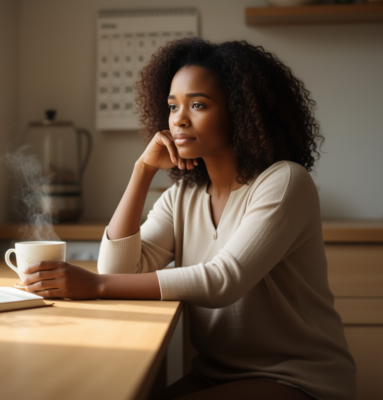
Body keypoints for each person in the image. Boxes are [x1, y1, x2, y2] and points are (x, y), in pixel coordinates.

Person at [21, 38, 356, 400]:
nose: (178, 119)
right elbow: (118, 270)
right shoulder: (183, 197)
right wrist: (143, 171)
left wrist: (96, 286)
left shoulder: (284, 181)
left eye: (197, 105)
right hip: (215, 375)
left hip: (299, 379)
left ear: (241, 112)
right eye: (172, 106)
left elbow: (222, 280)